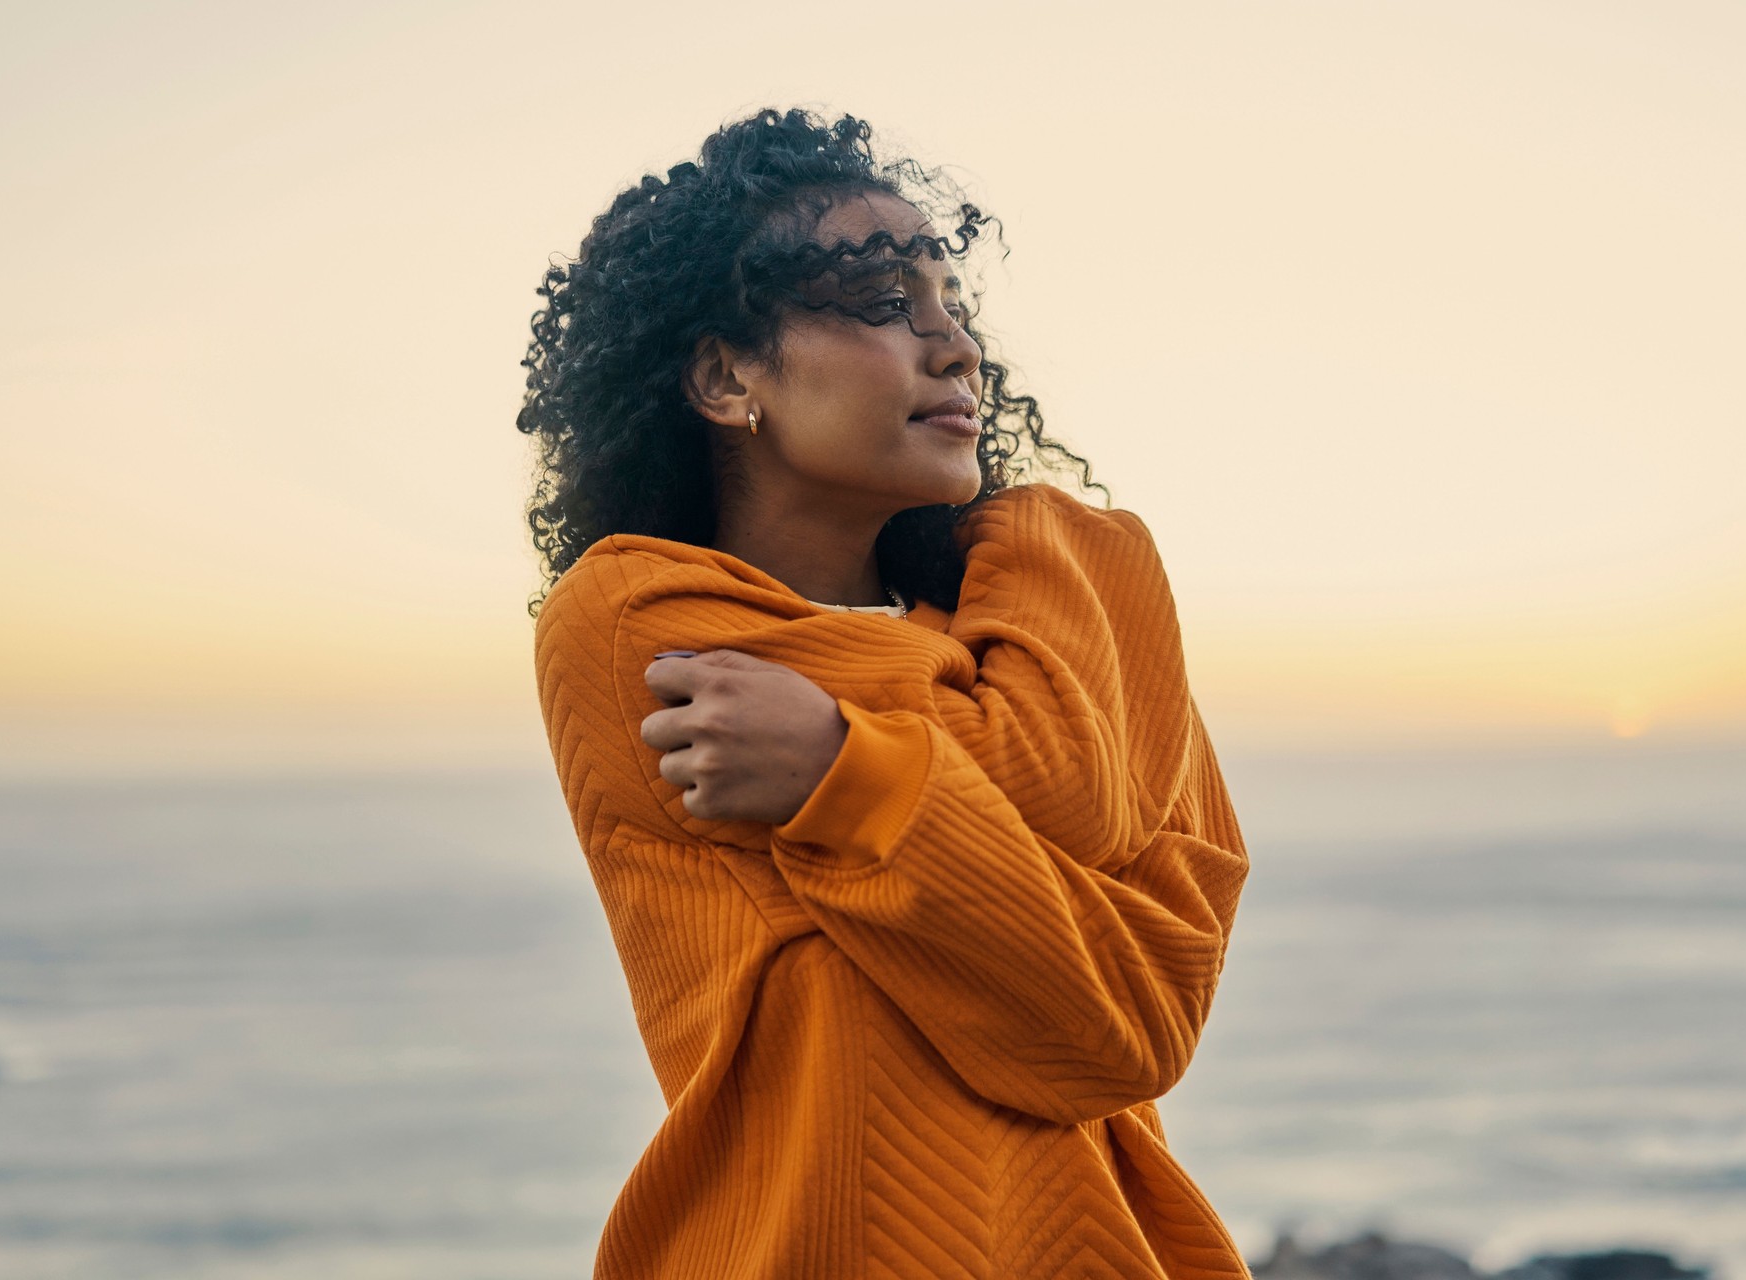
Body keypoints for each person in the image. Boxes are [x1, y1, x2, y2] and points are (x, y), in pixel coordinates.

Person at [518, 106, 1254, 1280]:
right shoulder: (637, 623)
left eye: (951, 306)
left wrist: (848, 761)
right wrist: (886, 782)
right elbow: (1063, 803)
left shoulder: (1043, 607)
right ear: (724, 375)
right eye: (881, 303)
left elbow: (1146, 1013)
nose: (956, 348)